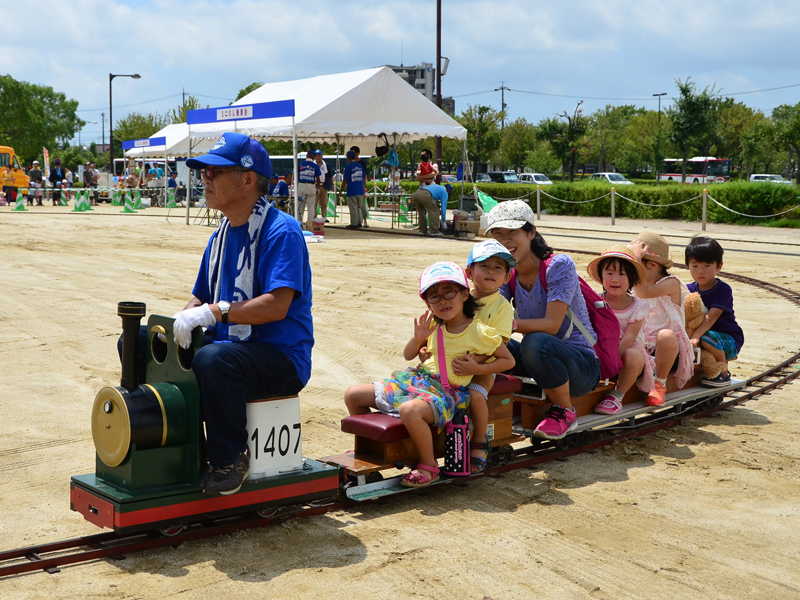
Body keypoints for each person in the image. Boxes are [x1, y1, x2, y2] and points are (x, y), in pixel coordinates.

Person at [171, 132, 313, 496]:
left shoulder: (283, 231)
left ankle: (230, 459)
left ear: (248, 180)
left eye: (215, 171)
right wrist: (176, 325)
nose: (205, 178)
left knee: (215, 359)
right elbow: (199, 298)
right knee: (140, 342)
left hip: (280, 359)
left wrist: (215, 313)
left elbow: (276, 306)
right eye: (203, 171)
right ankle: (175, 451)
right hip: (233, 352)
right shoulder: (219, 235)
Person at [344, 261, 514, 487]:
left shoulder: (480, 331)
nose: (443, 300)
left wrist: (478, 369)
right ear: (428, 303)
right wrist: (417, 339)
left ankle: (428, 464)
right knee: (353, 394)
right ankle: (374, 447)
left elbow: (508, 360)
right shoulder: (434, 325)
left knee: (409, 409)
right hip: (416, 383)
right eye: (434, 297)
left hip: (446, 394)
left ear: (465, 294)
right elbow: (408, 355)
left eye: (449, 292)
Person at [487, 200, 601, 440]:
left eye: (512, 233)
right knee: (490, 342)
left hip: (581, 367)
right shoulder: (507, 273)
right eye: (498, 234)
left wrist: (510, 325)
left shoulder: (558, 266)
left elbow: (552, 325)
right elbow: (489, 314)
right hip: (540, 362)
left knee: (535, 342)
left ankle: (565, 411)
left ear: (531, 233)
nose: (505, 241)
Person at [464, 240, 516, 471]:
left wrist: (477, 363)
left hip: (487, 367)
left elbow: (500, 342)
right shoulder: (459, 299)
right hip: (453, 361)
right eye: (484, 265)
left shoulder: (503, 307)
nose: (491, 271)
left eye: (499, 268)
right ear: (469, 272)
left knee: (475, 395)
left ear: (506, 278)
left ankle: (479, 440)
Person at [629, 231, 694, 406]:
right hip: (644, 346)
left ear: (651, 265)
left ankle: (659, 383)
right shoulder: (636, 286)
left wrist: (636, 258)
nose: (630, 271)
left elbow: (644, 293)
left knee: (665, 335)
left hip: (669, 351)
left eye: (635, 265)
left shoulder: (671, 283)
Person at [587, 246, 652, 415]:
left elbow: (628, 339)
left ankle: (617, 395)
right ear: (601, 276)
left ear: (631, 278)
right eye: (609, 273)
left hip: (626, 358)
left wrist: (611, 360)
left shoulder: (638, 306)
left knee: (633, 354)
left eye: (622, 274)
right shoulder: (595, 301)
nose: (615, 279)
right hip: (600, 353)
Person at [685, 236, 744, 387]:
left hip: (728, 340)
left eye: (706, 265)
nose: (700, 271)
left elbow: (711, 318)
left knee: (706, 338)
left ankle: (723, 372)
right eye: (695, 265)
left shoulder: (723, 290)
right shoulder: (689, 289)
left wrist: (696, 336)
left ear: (719, 266)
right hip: (704, 337)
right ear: (688, 266)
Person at [340, 151, 366, 229]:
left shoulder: (348, 167)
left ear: (348, 158)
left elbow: (345, 179)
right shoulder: (360, 166)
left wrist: (341, 189)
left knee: (353, 208)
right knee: (359, 207)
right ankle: (359, 222)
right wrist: (363, 186)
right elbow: (364, 177)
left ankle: (354, 224)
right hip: (360, 190)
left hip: (352, 190)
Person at [297, 150, 321, 228]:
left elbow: (297, 176)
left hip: (302, 186)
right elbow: (318, 178)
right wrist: (317, 188)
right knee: (311, 207)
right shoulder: (315, 166)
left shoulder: (300, 164)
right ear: (314, 157)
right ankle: (309, 225)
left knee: (300, 207)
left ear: (306, 156)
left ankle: (299, 224)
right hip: (311, 186)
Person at [314, 150, 330, 222]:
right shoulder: (313, 164)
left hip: (323, 186)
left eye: (319, 155)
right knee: (315, 203)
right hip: (315, 186)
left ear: (322, 156)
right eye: (316, 155)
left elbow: (329, 175)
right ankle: (314, 217)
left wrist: (331, 184)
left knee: (324, 203)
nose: (318, 157)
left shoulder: (325, 164)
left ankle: (324, 217)